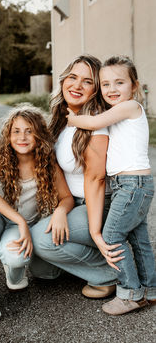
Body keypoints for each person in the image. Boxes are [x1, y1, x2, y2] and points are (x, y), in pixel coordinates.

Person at [0, 105, 74, 322]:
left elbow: (67, 198)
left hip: (27, 227)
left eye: (29, 131)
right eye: (16, 131)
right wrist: (19, 221)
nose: (22, 137)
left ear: (39, 135)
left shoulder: (47, 161)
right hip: (4, 221)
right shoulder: (4, 156)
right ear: (9, 134)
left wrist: (61, 211)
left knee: (46, 274)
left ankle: (15, 272)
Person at [67, 55, 156, 315]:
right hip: (128, 184)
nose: (112, 89)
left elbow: (94, 123)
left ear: (134, 86)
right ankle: (150, 289)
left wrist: (71, 119)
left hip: (132, 184)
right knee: (139, 240)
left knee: (112, 236)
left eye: (119, 82)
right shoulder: (118, 111)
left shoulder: (130, 107)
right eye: (105, 84)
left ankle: (130, 294)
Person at [29, 55, 121, 299]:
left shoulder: (95, 122)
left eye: (87, 81)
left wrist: (94, 232)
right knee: (40, 269)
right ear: (63, 81)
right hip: (75, 203)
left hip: (100, 204)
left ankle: (111, 272)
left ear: (96, 90)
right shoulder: (64, 119)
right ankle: (94, 257)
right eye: (72, 77)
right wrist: (60, 209)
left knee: (40, 240)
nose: (77, 86)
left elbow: (96, 179)